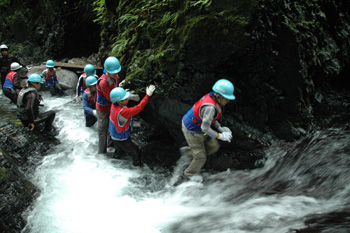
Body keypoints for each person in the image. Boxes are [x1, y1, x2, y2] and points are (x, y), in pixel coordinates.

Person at [181, 79, 235, 179]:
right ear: (219, 96)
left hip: (201, 128)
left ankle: (189, 151)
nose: (228, 101)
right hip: (192, 129)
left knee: (213, 146)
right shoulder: (210, 107)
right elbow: (205, 127)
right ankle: (188, 175)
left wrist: (219, 128)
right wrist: (220, 136)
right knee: (200, 158)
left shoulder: (213, 98)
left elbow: (211, 118)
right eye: (227, 98)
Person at [109, 85, 156, 166]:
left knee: (119, 151)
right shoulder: (123, 112)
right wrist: (148, 95)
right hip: (121, 138)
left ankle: (114, 163)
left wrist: (128, 94)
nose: (127, 99)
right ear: (119, 101)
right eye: (125, 98)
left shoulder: (113, 105)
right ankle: (137, 168)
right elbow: (139, 108)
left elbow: (120, 100)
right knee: (136, 152)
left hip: (113, 135)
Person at [96, 56, 121, 154]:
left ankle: (111, 144)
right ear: (107, 70)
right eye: (113, 72)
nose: (115, 74)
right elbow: (111, 98)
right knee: (103, 128)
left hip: (112, 106)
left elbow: (116, 88)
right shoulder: (103, 82)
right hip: (103, 109)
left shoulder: (115, 76)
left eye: (116, 72)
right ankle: (101, 152)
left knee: (112, 126)